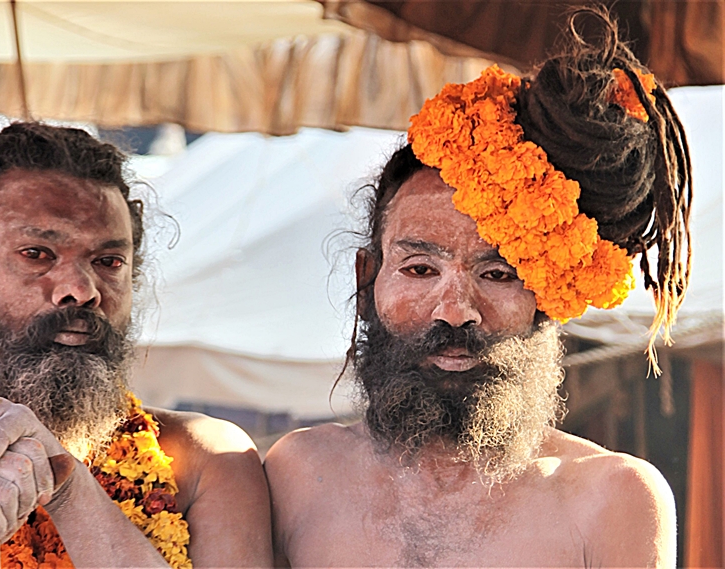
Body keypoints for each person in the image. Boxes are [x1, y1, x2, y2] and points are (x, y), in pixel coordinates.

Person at [265, 8, 691, 568]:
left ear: (547, 294)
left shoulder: (611, 498)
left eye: (498, 274)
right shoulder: (296, 474)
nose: (457, 312)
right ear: (368, 279)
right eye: (420, 269)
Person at [0, 124, 272, 568]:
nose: (81, 291)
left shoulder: (207, 460)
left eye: (108, 262)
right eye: (37, 254)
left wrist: (67, 487)